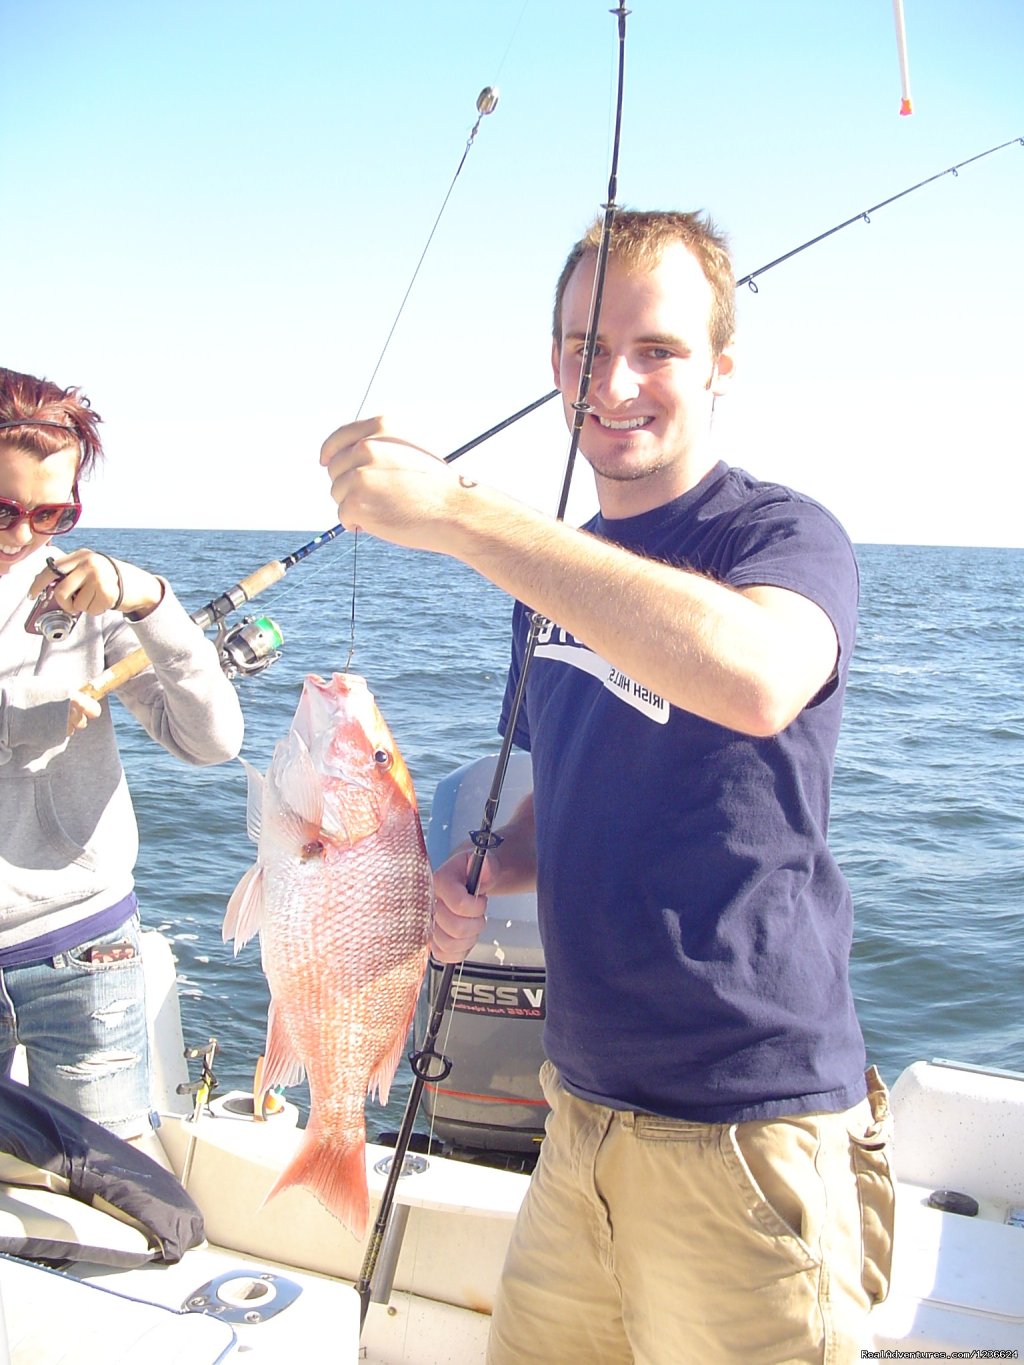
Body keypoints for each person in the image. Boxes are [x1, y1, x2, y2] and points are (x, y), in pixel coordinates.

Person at [320, 211, 895, 1364]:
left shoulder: (778, 533)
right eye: (585, 348)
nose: (615, 381)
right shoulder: (549, 570)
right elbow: (569, 780)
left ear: (720, 369)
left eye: (658, 349)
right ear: (551, 367)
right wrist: (490, 863)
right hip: (575, 1113)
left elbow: (757, 674)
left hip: (750, 1126)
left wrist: (463, 516)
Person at [0, 367, 244, 1143]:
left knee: (109, 1185)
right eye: (1, 507)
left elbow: (211, 743)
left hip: (82, 948)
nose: (23, 534)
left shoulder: (85, 596)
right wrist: (33, 724)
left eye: (51, 511)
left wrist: (148, 600)